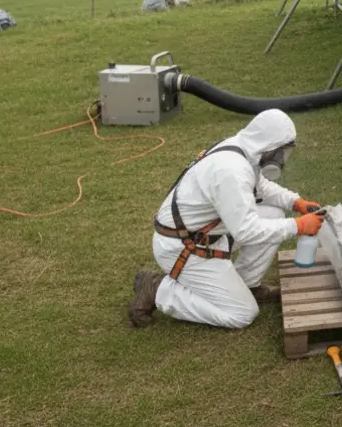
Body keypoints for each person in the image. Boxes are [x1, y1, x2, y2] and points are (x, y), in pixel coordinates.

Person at [127, 109, 324, 330]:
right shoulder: (231, 170)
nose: (281, 159)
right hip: (184, 248)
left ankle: (248, 285)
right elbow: (247, 232)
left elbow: (260, 185)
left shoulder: (243, 149)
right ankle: (157, 289)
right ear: (268, 145)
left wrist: (295, 202)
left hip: (205, 234)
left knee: (274, 214)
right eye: (280, 152)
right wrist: (298, 226)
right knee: (242, 314)